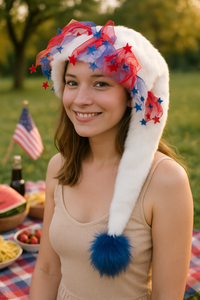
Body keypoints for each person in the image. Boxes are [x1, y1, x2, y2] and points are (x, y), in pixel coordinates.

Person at [29, 20, 193, 300]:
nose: (80, 99)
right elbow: (47, 270)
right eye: (72, 83)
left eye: (100, 84)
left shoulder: (166, 181)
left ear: (132, 95)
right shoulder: (59, 166)